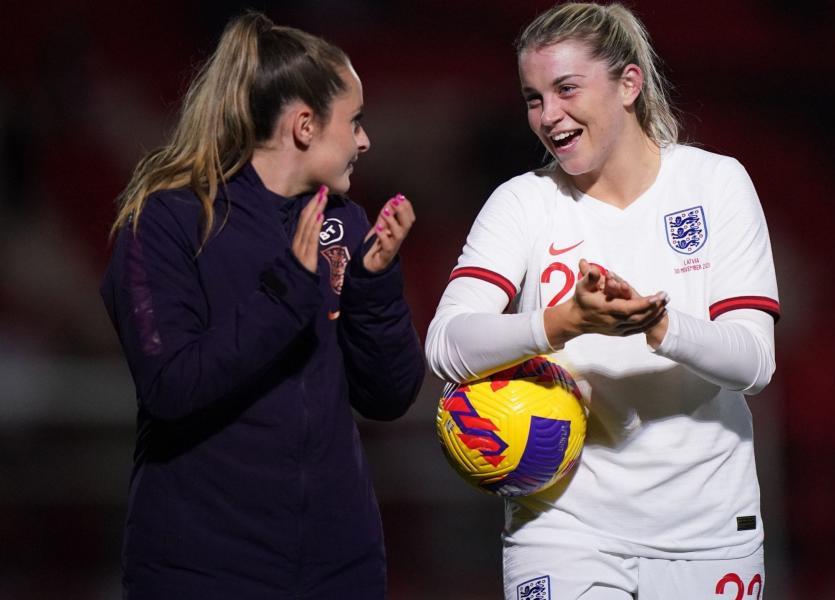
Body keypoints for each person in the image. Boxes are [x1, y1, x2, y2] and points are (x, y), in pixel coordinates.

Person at [425, 3, 780, 599]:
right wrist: (563, 322)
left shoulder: (715, 183)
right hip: (563, 526)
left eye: (566, 89)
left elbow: (754, 363)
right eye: (533, 98)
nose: (549, 116)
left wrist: (659, 325)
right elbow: (446, 343)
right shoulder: (523, 202)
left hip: (708, 530)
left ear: (628, 85)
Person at [100, 12, 424, 599]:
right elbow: (171, 385)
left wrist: (374, 284)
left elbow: (390, 396)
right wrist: (286, 293)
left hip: (339, 569)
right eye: (354, 122)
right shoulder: (168, 222)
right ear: (304, 126)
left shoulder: (343, 224)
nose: (364, 140)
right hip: (202, 569)